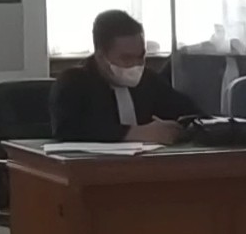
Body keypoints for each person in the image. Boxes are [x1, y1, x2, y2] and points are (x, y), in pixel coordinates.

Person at [51, 9, 200, 144]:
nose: (136, 65)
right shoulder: (73, 82)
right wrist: (136, 133)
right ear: (101, 56)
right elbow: (67, 129)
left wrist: (178, 129)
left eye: (141, 56)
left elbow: (191, 113)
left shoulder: (149, 80)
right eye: (126, 58)